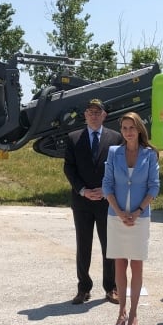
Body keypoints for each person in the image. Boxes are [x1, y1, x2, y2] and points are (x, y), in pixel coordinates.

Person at [102, 112, 160, 325]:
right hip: (115, 216)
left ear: (139, 129)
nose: (128, 132)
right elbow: (107, 184)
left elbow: (153, 187)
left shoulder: (149, 154)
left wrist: (137, 211)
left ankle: (134, 314)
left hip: (140, 217)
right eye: (124, 128)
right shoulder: (114, 152)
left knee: (136, 266)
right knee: (119, 265)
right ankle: (121, 312)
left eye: (131, 128)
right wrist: (118, 211)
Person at [64, 99, 123, 305]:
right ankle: (83, 288)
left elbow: (119, 168)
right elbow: (69, 168)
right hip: (82, 202)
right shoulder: (73, 138)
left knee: (110, 245)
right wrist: (83, 191)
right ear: (85, 115)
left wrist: (107, 190)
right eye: (90, 112)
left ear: (104, 115)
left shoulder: (115, 138)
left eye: (98, 112)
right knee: (83, 245)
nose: (94, 115)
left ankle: (111, 287)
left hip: (107, 201)